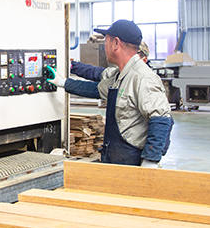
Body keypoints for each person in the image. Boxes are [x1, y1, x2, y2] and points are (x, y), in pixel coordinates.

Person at [46, 20, 173, 167]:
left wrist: (150, 160)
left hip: (132, 161)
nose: (104, 46)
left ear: (116, 43)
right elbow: (96, 89)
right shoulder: (120, 75)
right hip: (116, 158)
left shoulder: (143, 78)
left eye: (106, 41)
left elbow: (161, 120)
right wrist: (63, 83)